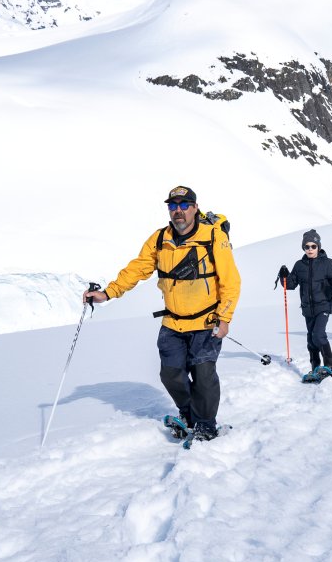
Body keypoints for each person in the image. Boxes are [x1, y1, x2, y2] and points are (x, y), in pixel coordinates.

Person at [84, 185, 240, 442]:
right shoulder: (160, 239)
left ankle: (206, 425)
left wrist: (224, 317)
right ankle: (190, 416)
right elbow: (138, 268)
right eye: (173, 206)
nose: (178, 211)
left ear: (195, 208)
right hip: (173, 322)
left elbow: (231, 281)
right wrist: (108, 293)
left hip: (206, 321)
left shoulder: (213, 236)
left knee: (203, 374)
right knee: (170, 374)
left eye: (184, 205)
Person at [280, 229, 332, 382]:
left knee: (318, 334)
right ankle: (315, 367)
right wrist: (284, 276)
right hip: (307, 308)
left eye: (313, 246)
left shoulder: (328, 264)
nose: (310, 249)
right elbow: (290, 285)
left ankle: (329, 365)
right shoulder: (299, 265)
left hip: (323, 305)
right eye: (307, 247)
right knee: (311, 338)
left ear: (318, 246)